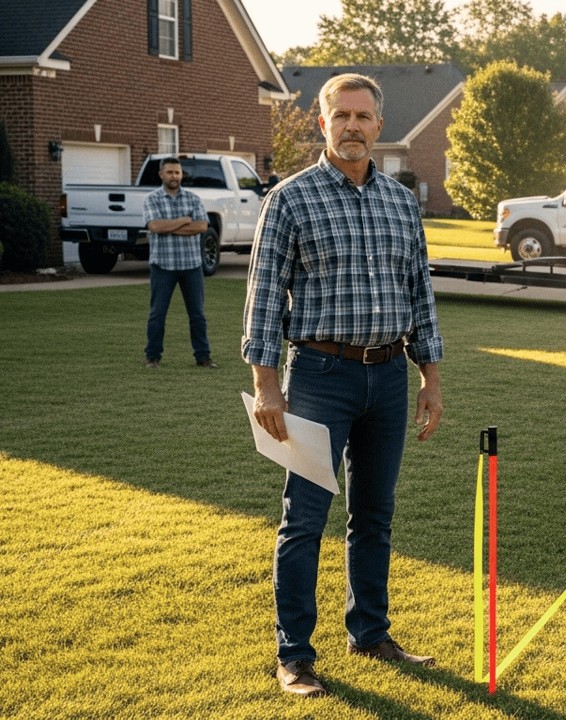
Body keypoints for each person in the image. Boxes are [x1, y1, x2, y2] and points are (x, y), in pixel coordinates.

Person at [242, 73, 445, 699]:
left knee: (375, 515)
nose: (352, 126)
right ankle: (295, 657)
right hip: (318, 378)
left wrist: (429, 377)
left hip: (387, 375)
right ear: (322, 123)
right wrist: (267, 386)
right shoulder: (290, 199)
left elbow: (420, 294)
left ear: (379, 125)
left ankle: (370, 633)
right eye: (341, 116)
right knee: (304, 519)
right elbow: (263, 297)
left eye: (362, 116)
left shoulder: (401, 202)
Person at [142, 157, 216, 369]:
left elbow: (202, 227)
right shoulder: (152, 199)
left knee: (197, 315)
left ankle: (203, 357)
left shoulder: (193, 199)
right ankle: (152, 357)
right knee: (157, 314)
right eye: (169, 172)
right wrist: (184, 220)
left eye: (177, 172)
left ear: (182, 174)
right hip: (162, 265)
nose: (174, 176)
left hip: (191, 265)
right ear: (161, 175)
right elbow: (154, 226)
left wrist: (169, 227)